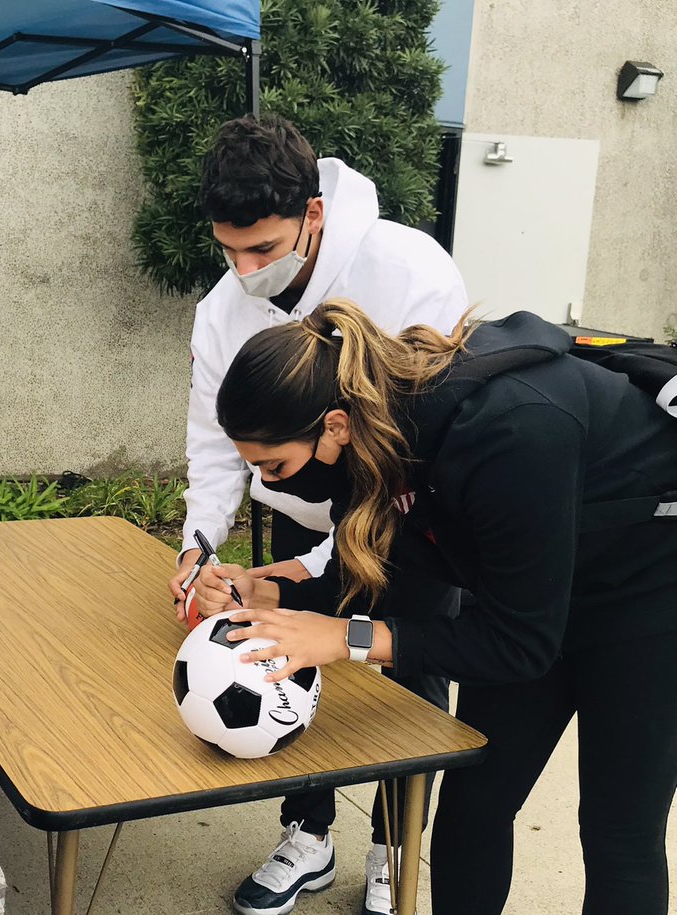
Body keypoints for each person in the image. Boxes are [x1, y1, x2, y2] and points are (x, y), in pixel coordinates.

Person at [196, 299, 677, 915]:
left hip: (647, 597)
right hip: (528, 587)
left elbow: (518, 643)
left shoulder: (508, 431)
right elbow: (390, 581)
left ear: (334, 427)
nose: (269, 483)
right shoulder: (383, 438)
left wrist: (349, 637)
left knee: (618, 828)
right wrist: (272, 594)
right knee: (473, 806)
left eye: (274, 465)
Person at [171, 115, 468, 915]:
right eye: (228, 249)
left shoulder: (408, 269)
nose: (244, 269)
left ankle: (393, 848)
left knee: (409, 675)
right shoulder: (221, 308)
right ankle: (308, 832)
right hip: (296, 515)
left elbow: (427, 439)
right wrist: (201, 545)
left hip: (412, 520)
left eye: (262, 249)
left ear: (312, 214)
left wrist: (329, 564)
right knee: (289, 663)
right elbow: (212, 440)